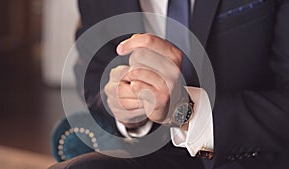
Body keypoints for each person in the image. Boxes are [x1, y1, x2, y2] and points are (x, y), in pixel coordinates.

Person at [50, 0, 289, 168]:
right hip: (156, 151)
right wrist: (125, 106)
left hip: (256, 150)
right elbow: (94, 76)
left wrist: (186, 112)